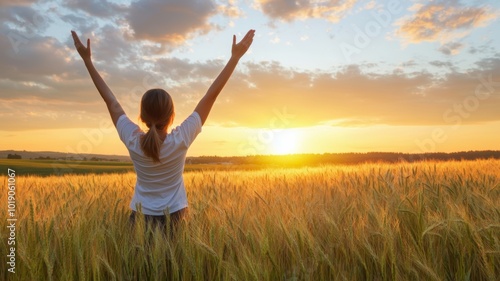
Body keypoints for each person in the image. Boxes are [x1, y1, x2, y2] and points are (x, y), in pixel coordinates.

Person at [71, 29, 255, 233]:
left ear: (141, 117)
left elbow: (110, 101)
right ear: (171, 116)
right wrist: (235, 58)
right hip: (176, 219)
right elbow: (210, 96)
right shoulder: (181, 139)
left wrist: (87, 60)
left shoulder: (132, 140)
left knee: (140, 266)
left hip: (139, 219)